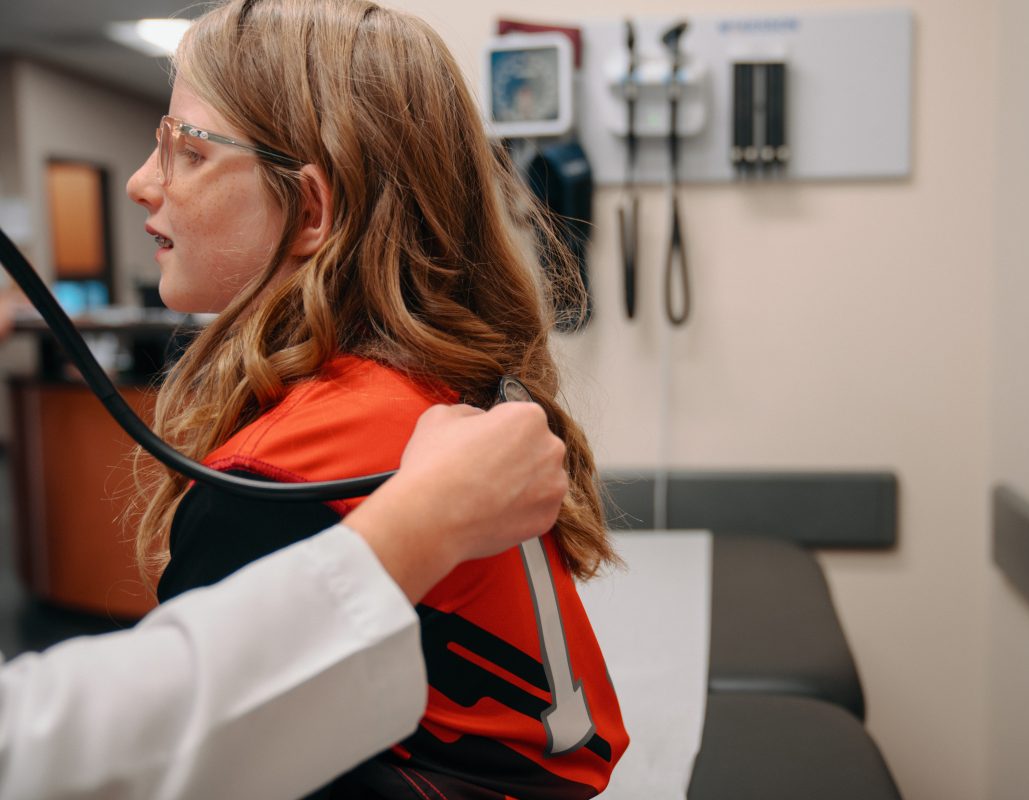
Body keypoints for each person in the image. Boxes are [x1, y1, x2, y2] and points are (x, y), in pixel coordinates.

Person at [124, 1, 628, 798]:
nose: (140, 183)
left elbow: (169, 766)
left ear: (312, 210)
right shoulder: (442, 388)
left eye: (186, 149)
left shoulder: (281, 480)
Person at [0, 400, 570, 800]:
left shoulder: (270, 469)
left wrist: (420, 527)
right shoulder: (459, 408)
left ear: (312, 220)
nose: (146, 217)